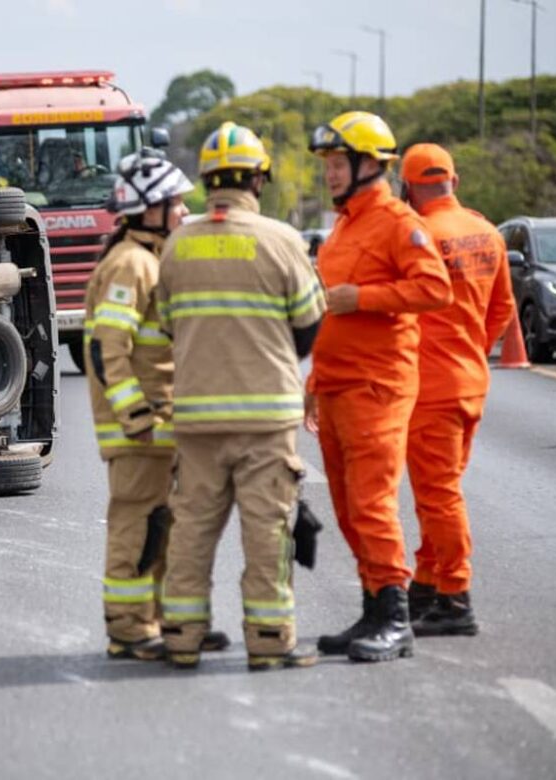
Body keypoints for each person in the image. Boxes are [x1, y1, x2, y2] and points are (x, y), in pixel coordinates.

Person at [156, 122, 326, 672]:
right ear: (259, 178)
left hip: (198, 415)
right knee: (267, 534)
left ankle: (181, 636)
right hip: (266, 417)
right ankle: (271, 641)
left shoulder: (179, 243)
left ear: (207, 181)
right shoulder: (282, 241)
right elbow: (309, 325)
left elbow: (166, 325)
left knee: (191, 532)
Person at [305, 111, 453, 662]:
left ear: (371, 164)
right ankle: (374, 606)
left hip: (378, 386)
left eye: (339, 163)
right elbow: (327, 312)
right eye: (329, 164)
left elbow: (434, 288)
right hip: (337, 385)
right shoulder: (344, 224)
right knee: (346, 507)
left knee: (371, 504)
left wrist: (364, 298)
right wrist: (314, 381)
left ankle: (396, 619)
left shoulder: (396, 221)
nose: (331, 174)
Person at [85, 148, 228, 660]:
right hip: (140, 430)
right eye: (176, 203)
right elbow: (107, 347)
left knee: (164, 526)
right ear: (149, 208)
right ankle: (128, 627)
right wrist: (135, 416)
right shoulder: (132, 263)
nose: (185, 213)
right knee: (137, 526)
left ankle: (170, 622)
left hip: (162, 424)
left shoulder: (150, 258)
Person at [399, 143, 515, 636]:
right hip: (471, 381)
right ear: (455, 181)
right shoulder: (487, 231)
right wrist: (473, 348)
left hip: (431, 387)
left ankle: (456, 597)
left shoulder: (420, 234)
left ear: (407, 187)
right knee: (437, 492)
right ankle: (426, 585)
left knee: (438, 495)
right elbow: (503, 308)